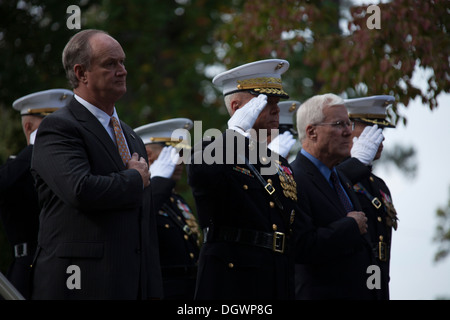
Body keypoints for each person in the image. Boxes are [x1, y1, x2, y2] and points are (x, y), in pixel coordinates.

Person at [30, 29, 162, 299]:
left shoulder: (131, 135)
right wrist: (134, 179)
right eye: (110, 63)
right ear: (81, 73)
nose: (122, 70)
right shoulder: (58, 127)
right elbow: (80, 189)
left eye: (123, 62)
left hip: (131, 285)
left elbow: (143, 224)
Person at [187, 59, 300, 299]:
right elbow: (203, 175)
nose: (276, 109)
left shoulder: (278, 162)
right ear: (237, 107)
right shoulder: (209, 147)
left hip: (276, 279)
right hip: (233, 283)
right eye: (265, 102)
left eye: (276, 102)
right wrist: (236, 132)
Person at [290, 93, 377, 299]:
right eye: (339, 124)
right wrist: (349, 226)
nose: (349, 132)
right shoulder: (295, 178)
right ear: (312, 132)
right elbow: (302, 247)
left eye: (349, 124)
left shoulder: (340, 178)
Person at [0, 89, 73, 299]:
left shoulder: (71, 169)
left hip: (70, 267)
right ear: (29, 127)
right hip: (29, 267)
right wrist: (34, 149)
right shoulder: (15, 169)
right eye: (52, 125)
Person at [338, 95, 398, 300]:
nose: (379, 139)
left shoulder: (378, 185)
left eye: (380, 131)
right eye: (370, 130)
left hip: (376, 281)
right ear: (348, 130)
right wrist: (356, 162)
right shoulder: (335, 174)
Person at [134, 118, 200, 300]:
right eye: (173, 153)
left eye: (183, 154)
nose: (180, 161)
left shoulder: (176, 199)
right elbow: (139, 217)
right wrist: (157, 182)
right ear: (148, 155)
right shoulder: (140, 195)